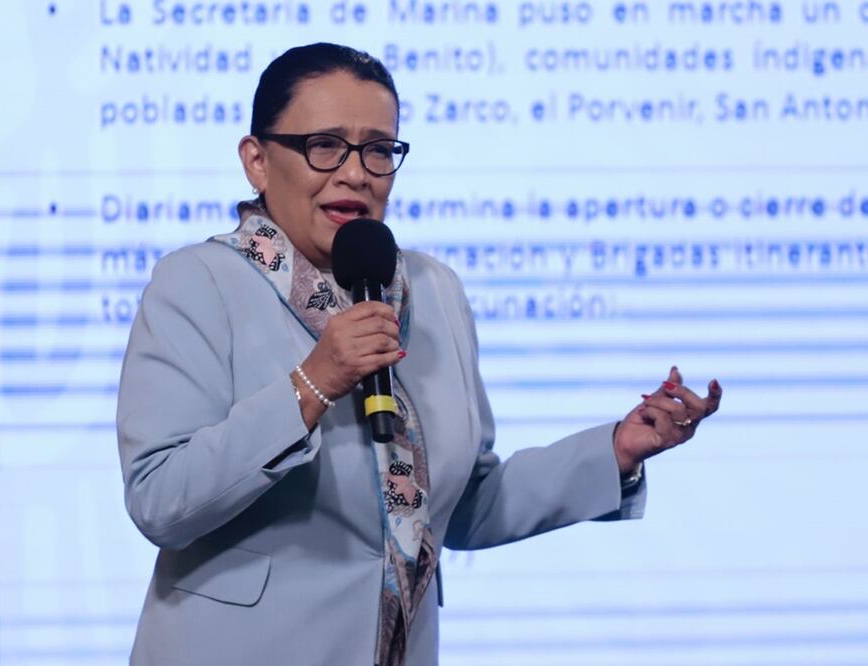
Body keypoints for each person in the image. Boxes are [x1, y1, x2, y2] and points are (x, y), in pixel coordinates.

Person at [116, 42, 721, 666]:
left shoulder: (433, 290)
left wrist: (616, 450)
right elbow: (160, 501)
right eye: (325, 145)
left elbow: (465, 505)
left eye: (379, 150)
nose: (356, 173)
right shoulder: (197, 283)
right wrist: (313, 385)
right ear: (257, 161)